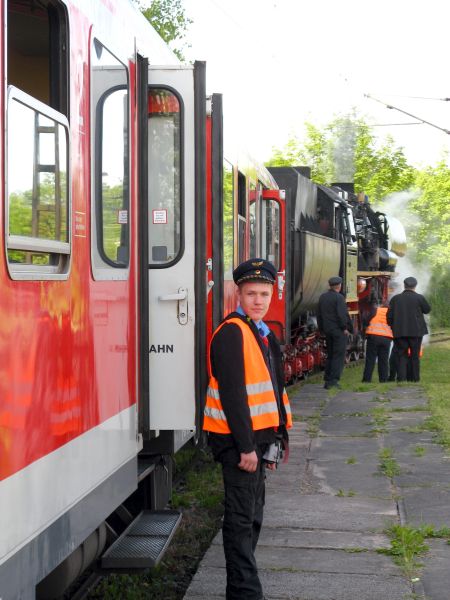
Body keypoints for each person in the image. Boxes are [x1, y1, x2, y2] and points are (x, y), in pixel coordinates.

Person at [203, 258, 292, 600]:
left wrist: (277, 439)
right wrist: (246, 448)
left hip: (258, 441)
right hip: (240, 444)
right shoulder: (231, 333)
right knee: (240, 522)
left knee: (252, 519)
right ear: (237, 294)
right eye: (251, 293)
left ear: (272, 295)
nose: (258, 300)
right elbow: (233, 395)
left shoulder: (261, 332)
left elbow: (273, 388)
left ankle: (240, 591)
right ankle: (245, 594)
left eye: (264, 294)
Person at [387, 276, 431, 382]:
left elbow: (389, 316)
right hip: (416, 332)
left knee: (402, 355)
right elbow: (427, 310)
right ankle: (414, 379)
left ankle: (402, 378)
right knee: (415, 355)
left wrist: (393, 327)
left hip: (400, 332)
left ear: (404, 285)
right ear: (415, 286)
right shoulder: (419, 298)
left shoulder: (395, 299)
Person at [317, 276, 353, 389]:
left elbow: (319, 314)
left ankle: (327, 379)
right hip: (338, 331)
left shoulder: (323, 297)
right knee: (338, 355)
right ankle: (333, 381)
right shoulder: (339, 298)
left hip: (327, 330)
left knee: (330, 354)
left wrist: (321, 329)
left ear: (330, 285)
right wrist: (345, 328)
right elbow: (342, 315)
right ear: (339, 286)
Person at [362, 302, 393, 383]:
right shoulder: (391, 313)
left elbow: (366, 320)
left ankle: (366, 379)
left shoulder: (375, 310)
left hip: (373, 337)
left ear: (382, 306)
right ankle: (383, 379)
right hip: (386, 338)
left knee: (370, 360)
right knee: (384, 360)